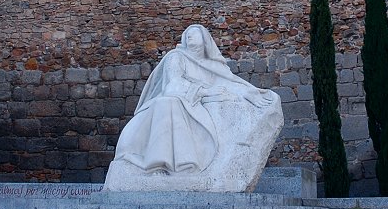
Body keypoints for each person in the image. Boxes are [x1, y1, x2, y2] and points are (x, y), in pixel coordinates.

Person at [113, 24, 276, 175]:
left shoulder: (213, 66)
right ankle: (159, 162)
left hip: (194, 105)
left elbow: (225, 82)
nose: (189, 37)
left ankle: (186, 163)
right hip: (178, 102)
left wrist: (245, 92)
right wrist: (204, 92)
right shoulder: (176, 57)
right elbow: (173, 85)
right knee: (168, 102)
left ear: (205, 40)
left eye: (194, 34)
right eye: (187, 35)